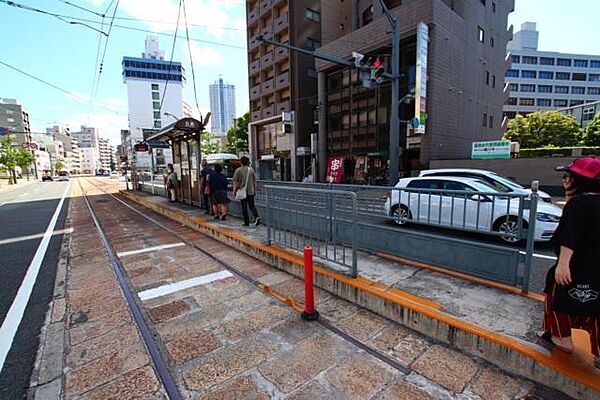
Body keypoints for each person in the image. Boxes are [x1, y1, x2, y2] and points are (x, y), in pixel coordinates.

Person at [537, 156, 600, 369]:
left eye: (568, 176)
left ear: (579, 180)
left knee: (557, 302)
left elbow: (569, 236)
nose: (565, 180)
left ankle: (561, 340)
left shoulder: (578, 204)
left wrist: (563, 264)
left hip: (574, 268)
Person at [233, 156, 260, 227]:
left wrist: (235, 190)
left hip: (242, 191)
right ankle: (257, 216)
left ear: (241, 162)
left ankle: (246, 222)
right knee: (252, 205)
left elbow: (236, 182)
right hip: (251, 191)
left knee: (244, 207)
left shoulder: (238, 170)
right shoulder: (251, 170)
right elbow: (254, 181)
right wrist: (254, 190)